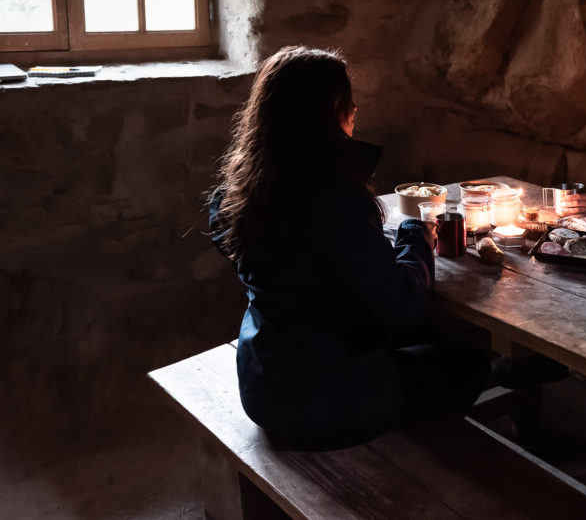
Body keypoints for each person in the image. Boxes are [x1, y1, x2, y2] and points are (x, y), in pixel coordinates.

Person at [208, 46, 489, 451]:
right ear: (327, 113)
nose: (356, 108)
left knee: (426, 337)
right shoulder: (331, 198)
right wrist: (415, 232)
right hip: (318, 398)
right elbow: (401, 304)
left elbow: (312, 274)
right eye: (346, 99)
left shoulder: (241, 196)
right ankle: (414, 464)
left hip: (265, 377)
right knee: (468, 363)